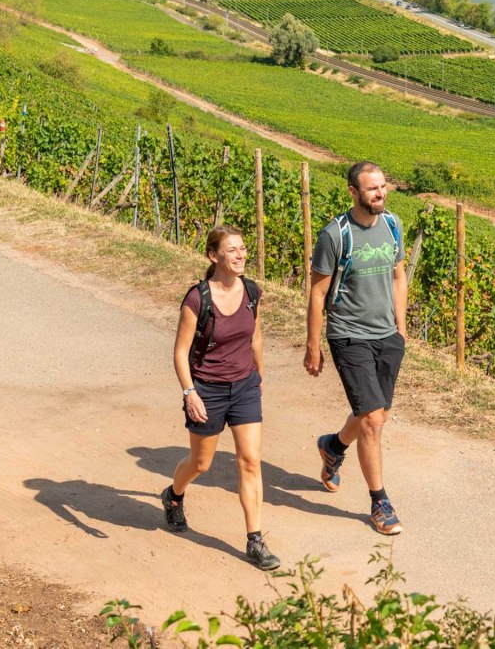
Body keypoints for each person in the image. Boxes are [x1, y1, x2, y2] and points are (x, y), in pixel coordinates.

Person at [161, 225, 281, 570]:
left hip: (244, 386)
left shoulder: (252, 292)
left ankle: (255, 540)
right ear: (214, 256)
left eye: (243, 248)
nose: (241, 255)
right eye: (232, 250)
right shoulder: (198, 299)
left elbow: (255, 336)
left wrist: (259, 375)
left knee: (250, 461)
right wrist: (190, 393)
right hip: (208, 390)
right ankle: (174, 495)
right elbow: (180, 352)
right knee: (201, 463)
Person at [306, 161, 408, 536]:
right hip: (349, 335)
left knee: (376, 414)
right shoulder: (335, 235)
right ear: (353, 192)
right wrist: (313, 345)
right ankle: (380, 502)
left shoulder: (393, 225)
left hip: (387, 336)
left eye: (383, 186)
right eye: (371, 188)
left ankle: (333, 447)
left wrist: (400, 328)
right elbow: (318, 293)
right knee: (372, 420)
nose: (380, 193)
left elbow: (398, 277)